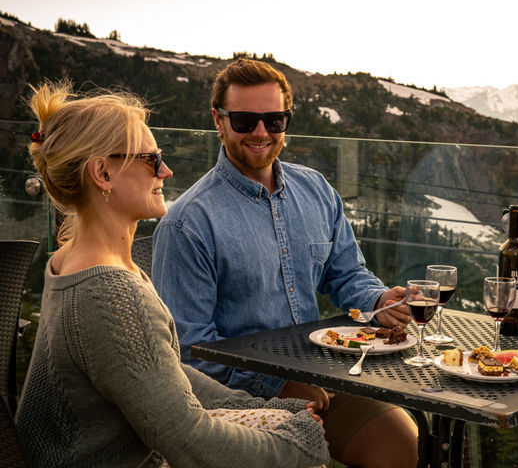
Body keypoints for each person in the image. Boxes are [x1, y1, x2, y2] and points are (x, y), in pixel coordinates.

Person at [17, 81, 329, 468]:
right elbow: (190, 442)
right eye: (150, 159)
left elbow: (162, 369)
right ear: (103, 173)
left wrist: (253, 406)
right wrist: (298, 445)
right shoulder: (109, 292)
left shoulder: (71, 260)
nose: (165, 170)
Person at [151, 58, 418, 467]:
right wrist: (277, 387)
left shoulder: (316, 190)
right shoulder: (189, 223)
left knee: (406, 446)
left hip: (321, 375)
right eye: (244, 120)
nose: (261, 133)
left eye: (274, 120)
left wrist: (382, 301)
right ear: (218, 121)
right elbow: (189, 351)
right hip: (238, 401)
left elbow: (346, 274)